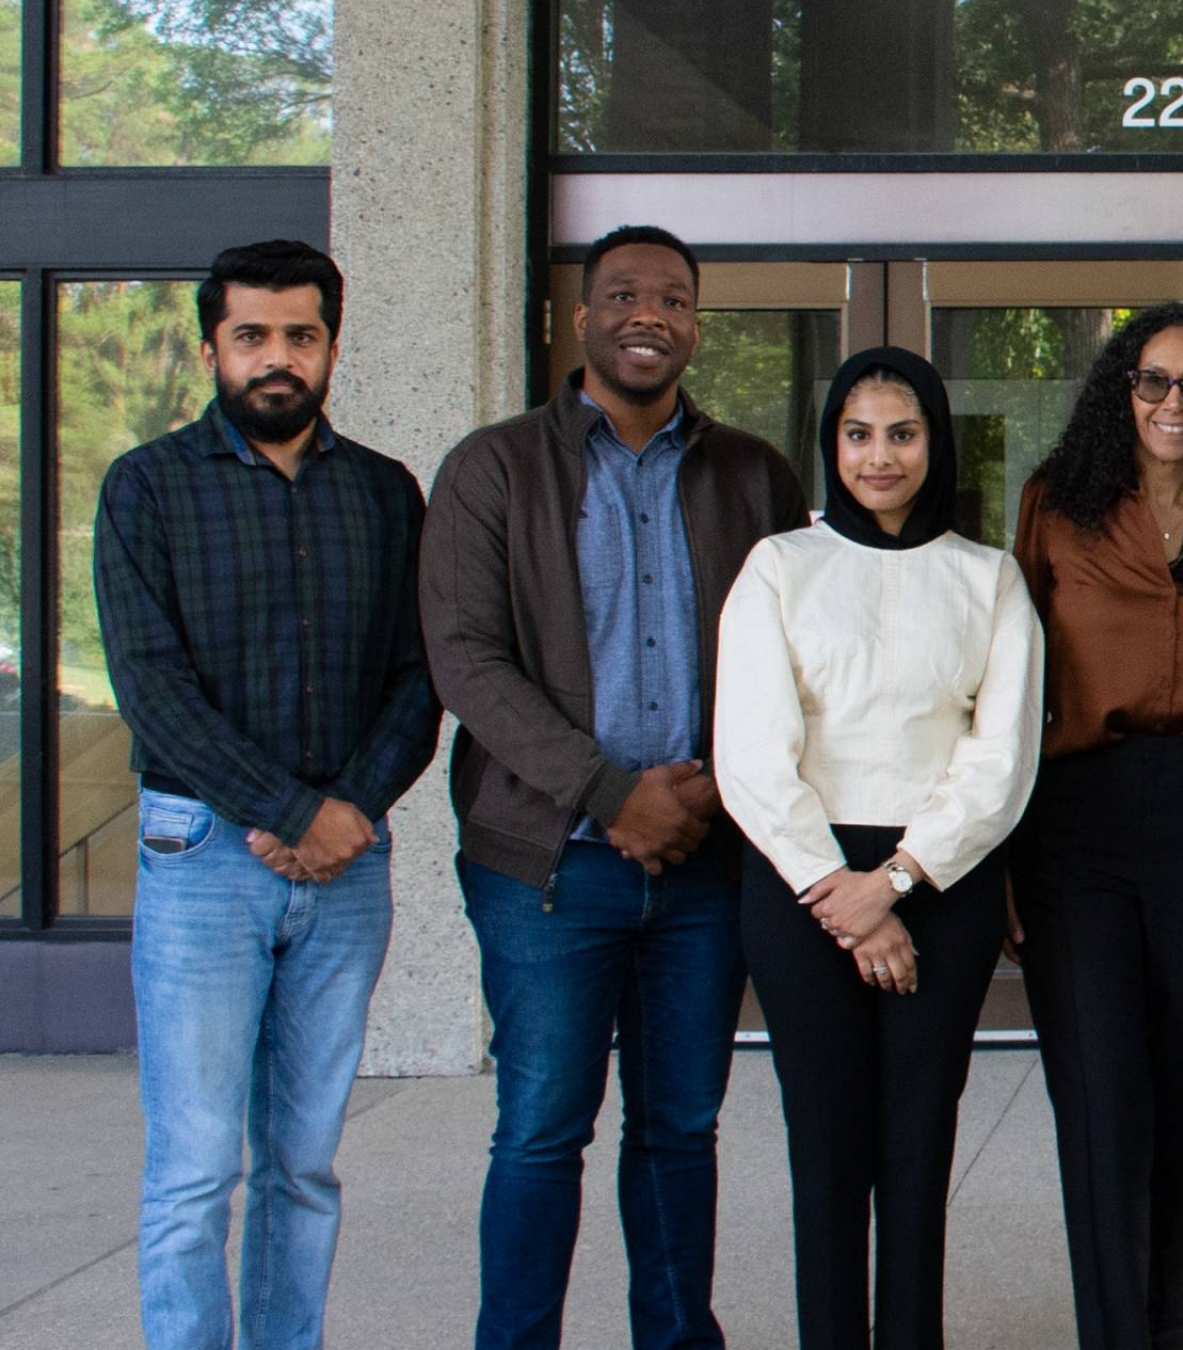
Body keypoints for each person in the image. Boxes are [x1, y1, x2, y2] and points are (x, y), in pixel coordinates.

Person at [420, 225, 807, 1350]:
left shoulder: (752, 473)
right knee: (541, 1129)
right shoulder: (493, 467)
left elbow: (791, 656)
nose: (651, 314)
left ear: (696, 323)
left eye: (675, 298)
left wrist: (709, 804)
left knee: (682, 1128)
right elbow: (464, 658)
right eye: (625, 294)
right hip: (547, 870)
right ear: (580, 316)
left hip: (703, 867)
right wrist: (607, 792)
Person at [96, 238, 442, 1350]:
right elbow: (151, 690)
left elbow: (419, 674)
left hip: (348, 871)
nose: (276, 358)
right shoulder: (146, 487)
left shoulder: (388, 494)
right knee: (197, 1169)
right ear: (212, 349)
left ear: (332, 345)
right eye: (251, 336)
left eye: (300, 334)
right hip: (201, 855)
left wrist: (348, 811)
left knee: (302, 1165)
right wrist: (296, 814)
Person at [714, 348, 1043, 1350]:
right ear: (831, 446)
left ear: (935, 442)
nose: (880, 457)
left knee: (916, 1140)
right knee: (825, 1144)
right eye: (858, 435)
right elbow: (750, 751)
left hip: (941, 879)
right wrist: (839, 892)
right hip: (801, 880)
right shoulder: (780, 566)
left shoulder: (987, 577)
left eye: (902, 433)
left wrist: (897, 882)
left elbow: (1002, 757)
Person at [1007, 301, 1183, 1350]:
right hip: (1076, 824)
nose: (1175, 402)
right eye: (1155, 381)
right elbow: (1013, 680)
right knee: (1100, 1107)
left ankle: (1158, 1333)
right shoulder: (1055, 507)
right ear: (1122, 392)